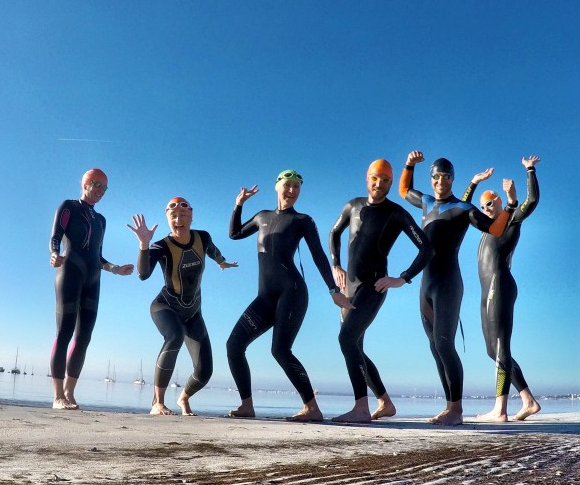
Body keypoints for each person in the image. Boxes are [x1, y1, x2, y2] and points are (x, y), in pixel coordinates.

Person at [226, 170, 353, 422]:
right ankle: (246, 405)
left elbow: (318, 255)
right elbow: (235, 233)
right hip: (265, 297)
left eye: (297, 187)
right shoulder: (262, 216)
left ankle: (312, 407)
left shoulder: (302, 220)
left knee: (280, 350)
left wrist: (333, 290)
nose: (292, 191)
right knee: (234, 345)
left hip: (291, 292)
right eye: (288, 185)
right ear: (277, 186)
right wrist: (238, 204)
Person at [398, 152, 507, 425]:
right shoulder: (425, 202)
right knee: (435, 346)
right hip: (426, 284)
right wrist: (409, 165)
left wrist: (510, 205)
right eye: (436, 176)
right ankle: (449, 407)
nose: (441, 181)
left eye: (446, 177)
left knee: (445, 344)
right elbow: (404, 190)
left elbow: (495, 229)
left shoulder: (462, 208)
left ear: (452, 179)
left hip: (448, 283)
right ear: (431, 178)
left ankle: (456, 410)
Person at [329, 159, 432, 423]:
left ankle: (361, 408)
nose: (379, 184)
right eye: (375, 178)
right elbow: (334, 233)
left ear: (390, 183)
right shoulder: (352, 205)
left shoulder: (396, 213)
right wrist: (336, 265)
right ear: (367, 177)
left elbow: (427, 248)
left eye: (385, 180)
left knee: (346, 339)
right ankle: (385, 403)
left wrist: (402, 278)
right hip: (350, 288)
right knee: (355, 347)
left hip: (374, 287)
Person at [127, 197, 237, 416]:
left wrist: (222, 261)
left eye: (184, 215)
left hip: (193, 312)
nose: (179, 220)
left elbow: (212, 250)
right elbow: (143, 274)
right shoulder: (161, 246)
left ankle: (183, 398)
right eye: (174, 216)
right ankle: (157, 403)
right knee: (175, 336)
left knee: (205, 371)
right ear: (168, 219)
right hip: (165, 306)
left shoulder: (202, 237)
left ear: (191, 216)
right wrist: (144, 245)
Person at [49, 168, 133, 410]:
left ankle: (69, 393)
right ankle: (57, 396)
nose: (100, 190)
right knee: (64, 333)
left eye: (104, 187)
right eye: (96, 184)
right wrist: (54, 253)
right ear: (84, 184)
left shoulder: (101, 220)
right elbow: (56, 236)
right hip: (69, 273)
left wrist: (115, 269)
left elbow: (97, 256)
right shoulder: (68, 207)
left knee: (84, 338)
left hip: (93, 279)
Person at [473, 156, 542, 421]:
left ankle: (503, 408)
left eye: (490, 203)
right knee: (492, 350)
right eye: (483, 206)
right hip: (487, 290)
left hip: (500, 285)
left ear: (500, 202)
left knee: (501, 347)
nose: (486, 209)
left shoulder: (511, 218)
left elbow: (531, 201)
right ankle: (525, 401)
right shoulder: (488, 227)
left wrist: (529, 171)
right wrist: (474, 182)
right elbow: (464, 208)